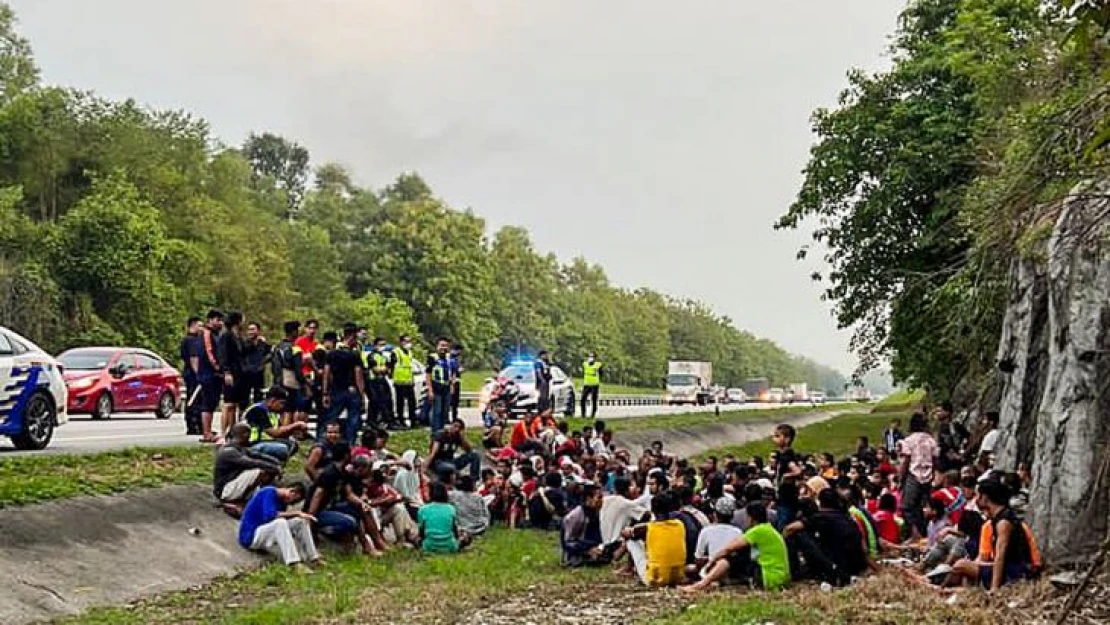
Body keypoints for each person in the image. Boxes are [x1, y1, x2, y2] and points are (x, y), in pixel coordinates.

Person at [947, 480, 1037, 590]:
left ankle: (942, 588)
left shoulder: (1004, 522)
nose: (976, 500)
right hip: (1008, 567)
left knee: (961, 565)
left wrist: (994, 588)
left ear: (985, 498)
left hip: (1016, 570)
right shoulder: (996, 519)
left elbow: (1000, 557)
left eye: (978, 496)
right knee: (966, 572)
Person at [683, 501, 790, 592]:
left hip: (769, 578)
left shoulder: (757, 531)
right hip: (780, 578)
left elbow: (728, 549)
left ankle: (701, 584)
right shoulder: (768, 529)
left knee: (730, 558)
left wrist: (711, 561)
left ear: (751, 518)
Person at [305, 448, 387, 556]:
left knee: (362, 508)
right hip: (321, 511)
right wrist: (310, 518)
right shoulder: (330, 473)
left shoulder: (344, 472)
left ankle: (374, 543)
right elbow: (317, 496)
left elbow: (349, 494)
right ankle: (366, 545)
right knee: (350, 522)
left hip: (334, 506)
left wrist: (362, 503)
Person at [238, 483, 320, 570]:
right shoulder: (269, 492)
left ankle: (314, 557)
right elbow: (270, 516)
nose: (290, 504)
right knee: (280, 522)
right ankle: (294, 563)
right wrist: (297, 513)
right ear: (292, 492)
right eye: (293, 501)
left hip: (264, 532)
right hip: (251, 536)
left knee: (300, 522)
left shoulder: (282, 502)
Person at [213, 422, 282, 515]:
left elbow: (258, 456)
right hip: (225, 490)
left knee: (265, 469)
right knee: (260, 471)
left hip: (233, 484)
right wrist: (274, 468)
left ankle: (252, 499)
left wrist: (276, 463)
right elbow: (251, 462)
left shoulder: (239, 448)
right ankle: (238, 501)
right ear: (245, 434)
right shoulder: (229, 451)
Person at [622, 491, 688, 587]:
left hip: (655, 579)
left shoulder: (648, 528)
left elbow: (626, 534)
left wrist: (632, 529)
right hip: (677, 577)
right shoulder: (679, 524)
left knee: (631, 542)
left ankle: (630, 569)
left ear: (652, 510)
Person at [321, 326, 365, 445]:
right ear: (351, 337)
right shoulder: (354, 355)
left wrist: (325, 392)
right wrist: (362, 394)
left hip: (336, 390)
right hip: (351, 391)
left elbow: (326, 374)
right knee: (353, 419)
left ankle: (324, 441)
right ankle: (350, 442)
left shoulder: (331, 354)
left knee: (331, 417)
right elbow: (358, 375)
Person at [243, 387, 308, 463]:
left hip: (263, 441)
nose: (282, 406)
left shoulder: (271, 412)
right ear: (272, 401)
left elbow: (282, 432)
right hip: (250, 444)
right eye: (281, 403)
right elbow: (275, 433)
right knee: (282, 449)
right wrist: (296, 425)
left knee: (292, 444)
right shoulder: (257, 410)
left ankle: (273, 466)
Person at [899, 412, 938, 539]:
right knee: (923, 506)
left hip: (913, 474)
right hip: (928, 475)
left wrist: (901, 478)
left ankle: (915, 533)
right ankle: (924, 531)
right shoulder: (931, 440)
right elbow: (935, 458)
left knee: (907, 506)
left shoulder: (909, 441)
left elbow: (905, 461)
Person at [363, 468, 419, 546]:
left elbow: (398, 496)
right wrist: (382, 500)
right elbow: (366, 502)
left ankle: (402, 538)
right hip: (371, 519)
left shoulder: (383, 486)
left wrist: (392, 499)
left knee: (399, 508)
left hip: (383, 515)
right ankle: (409, 535)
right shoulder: (364, 487)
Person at [273, 321, 312, 428]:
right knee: (292, 409)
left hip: (279, 382)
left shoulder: (278, 347)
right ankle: (290, 431)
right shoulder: (295, 349)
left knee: (283, 409)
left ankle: (281, 430)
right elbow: (298, 371)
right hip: (292, 383)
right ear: (294, 332)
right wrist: (305, 384)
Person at [194, 309, 225, 443]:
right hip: (209, 374)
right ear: (210, 320)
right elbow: (210, 353)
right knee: (208, 403)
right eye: (217, 320)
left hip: (214, 374)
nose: (220, 323)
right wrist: (218, 367)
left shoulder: (216, 334)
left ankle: (208, 430)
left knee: (212, 403)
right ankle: (206, 432)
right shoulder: (207, 334)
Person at [217, 311, 247, 441]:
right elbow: (223, 355)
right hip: (230, 372)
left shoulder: (238, 336)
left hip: (239, 373)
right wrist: (226, 372)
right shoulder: (226, 336)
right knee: (228, 404)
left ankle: (232, 430)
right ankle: (223, 432)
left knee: (235, 404)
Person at [561, 483, 607, 567]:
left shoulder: (599, 512)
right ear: (589, 498)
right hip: (580, 547)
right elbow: (568, 542)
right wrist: (587, 550)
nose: (602, 501)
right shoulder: (576, 515)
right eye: (599, 497)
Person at [418, 482, 470, 553]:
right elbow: (454, 531)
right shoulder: (451, 508)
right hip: (450, 546)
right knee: (467, 537)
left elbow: (421, 532)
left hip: (429, 546)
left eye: (427, 491)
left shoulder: (423, 509)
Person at [365, 337, 395, 430]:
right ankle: (372, 422)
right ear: (375, 346)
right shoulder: (372, 356)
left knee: (388, 401)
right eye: (381, 344)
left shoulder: (384, 356)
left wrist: (387, 367)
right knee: (375, 402)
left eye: (384, 344)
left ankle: (387, 421)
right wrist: (385, 368)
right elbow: (376, 370)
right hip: (373, 381)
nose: (383, 347)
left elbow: (388, 371)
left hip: (382, 380)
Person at [180, 316, 203, 436]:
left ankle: (196, 425)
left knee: (195, 399)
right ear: (192, 326)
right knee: (195, 399)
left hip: (189, 373)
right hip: (193, 374)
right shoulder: (191, 340)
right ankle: (194, 425)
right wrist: (199, 375)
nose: (201, 328)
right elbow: (194, 358)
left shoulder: (191, 340)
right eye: (199, 326)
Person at [426, 337, 453, 433]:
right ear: (437, 346)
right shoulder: (432, 358)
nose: (444, 348)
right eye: (442, 345)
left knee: (445, 411)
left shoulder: (449, 359)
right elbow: (428, 374)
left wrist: (451, 386)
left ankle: (442, 431)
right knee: (437, 412)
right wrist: (430, 390)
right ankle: (435, 432)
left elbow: (452, 373)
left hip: (446, 388)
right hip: (436, 388)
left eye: (446, 346)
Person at [241, 322, 271, 406]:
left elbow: (271, 352)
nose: (250, 332)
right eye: (249, 330)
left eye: (253, 329)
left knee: (258, 396)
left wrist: (263, 362)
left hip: (259, 373)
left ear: (258, 331)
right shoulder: (244, 343)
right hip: (246, 374)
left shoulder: (262, 344)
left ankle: (257, 415)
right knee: (244, 398)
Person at [392, 334, 418, 428]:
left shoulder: (410, 352)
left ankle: (413, 422)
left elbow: (410, 367)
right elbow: (392, 366)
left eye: (409, 341)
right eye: (406, 341)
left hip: (409, 381)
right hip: (399, 381)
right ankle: (401, 421)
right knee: (400, 404)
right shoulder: (396, 352)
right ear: (401, 342)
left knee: (412, 403)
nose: (408, 343)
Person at [580, 351, 603, 418]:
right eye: (589, 356)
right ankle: (583, 415)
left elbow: (601, 374)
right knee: (583, 399)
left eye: (592, 357)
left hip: (594, 385)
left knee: (594, 399)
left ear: (595, 358)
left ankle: (593, 415)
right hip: (586, 384)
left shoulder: (598, 365)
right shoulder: (585, 364)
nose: (590, 358)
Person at [534, 350, 553, 415]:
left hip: (547, 383)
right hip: (542, 383)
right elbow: (539, 373)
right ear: (541, 355)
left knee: (546, 398)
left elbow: (548, 371)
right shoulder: (538, 363)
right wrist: (542, 380)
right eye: (545, 355)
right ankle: (541, 411)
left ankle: (545, 410)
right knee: (542, 398)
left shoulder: (545, 363)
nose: (546, 356)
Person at [449, 343, 464, 421]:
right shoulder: (453, 359)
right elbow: (454, 371)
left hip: (454, 382)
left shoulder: (454, 358)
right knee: (453, 402)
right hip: (454, 382)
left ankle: (453, 417)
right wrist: (459, 370)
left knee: (454, 402)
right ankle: (453, 417)